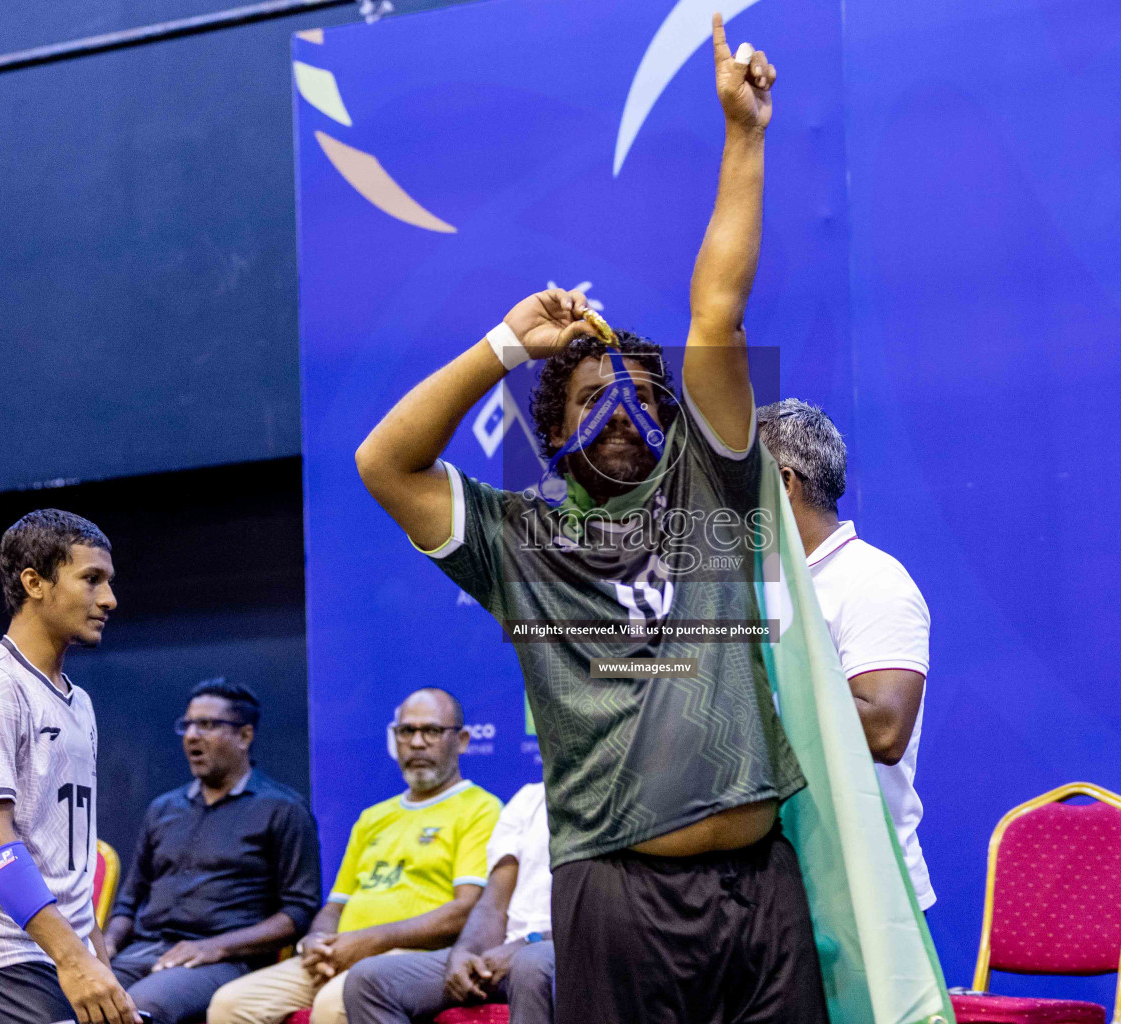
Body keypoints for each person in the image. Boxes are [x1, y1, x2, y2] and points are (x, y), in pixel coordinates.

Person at [355, 18, 827, 1024]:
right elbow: (384, 463)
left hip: (762, 889)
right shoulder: (515, 538)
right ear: (555, 434)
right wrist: (506, 342)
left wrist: (743, 138)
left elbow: (717, 313)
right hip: (617, 896)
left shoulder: (715, 486)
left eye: (638, 398)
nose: (620, 413)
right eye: (589, 402)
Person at [0, 509, 139, 1024]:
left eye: (108, 581)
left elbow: (71, 859)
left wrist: (95, 955)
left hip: (63, 951)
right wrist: (73, 958)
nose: (109, 599)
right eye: (91, 579)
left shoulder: (80, 702)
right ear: (35, 583)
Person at [206, 687, 500, 1024]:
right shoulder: (373, 817)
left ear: (461, 740)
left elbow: (464, 910)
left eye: (431, 731)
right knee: (230, 1004)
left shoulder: (481, 809)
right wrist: (317, 941)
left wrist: (368, 942)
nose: (417, 743)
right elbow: (335, 906)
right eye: (407, 731)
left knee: (336, 1002)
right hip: (342, 953)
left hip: (412, 957)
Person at [756, 399, 935, 911]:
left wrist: (744, 705)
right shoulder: (759, 588)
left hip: (864, 896)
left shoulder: (872, 582)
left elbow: (884, 729)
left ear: (783, 482)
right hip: (773, 887)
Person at [104, 679, 323, 1024]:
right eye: (188, 725)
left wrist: (215, 947)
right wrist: (108, 945)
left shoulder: (283, 810)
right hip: (144, 950)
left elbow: (298, 912)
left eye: (207, 725)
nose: (191, 735)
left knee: (137, 1008)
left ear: (244, 736)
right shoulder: (163, 808)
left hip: (225, 959)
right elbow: (130, 900)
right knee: (73, 996)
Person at [344, 782, 555, 1024]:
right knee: (369, 980)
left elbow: (602, 918)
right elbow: (493, 904)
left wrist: (529, 943)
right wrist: (465, 951)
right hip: (510, 951)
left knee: (531, 963)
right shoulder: (530, 798)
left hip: (561, 953)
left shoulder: (605, 800)